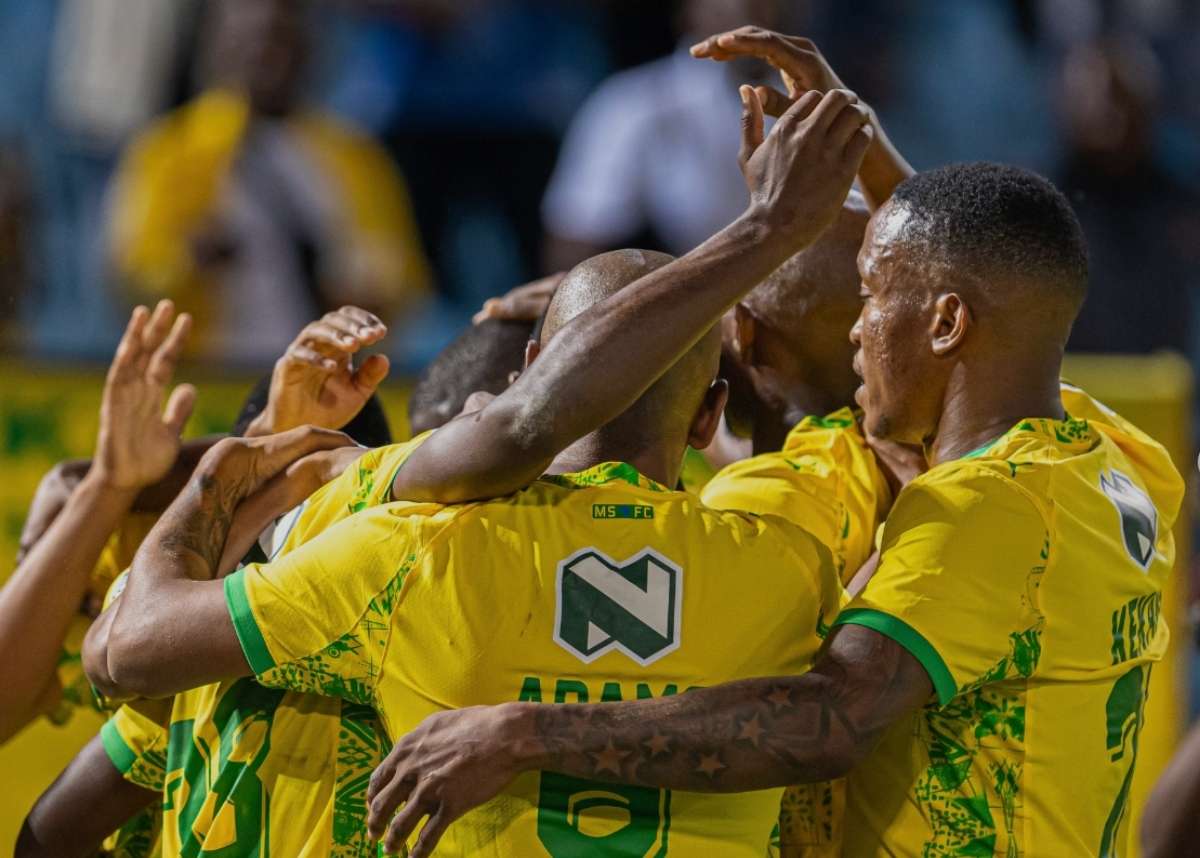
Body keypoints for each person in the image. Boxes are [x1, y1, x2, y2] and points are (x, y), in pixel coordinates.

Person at [360, 29, 1185, 858]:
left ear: (942, 324)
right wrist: (859, 146)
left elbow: (828, 719)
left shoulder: (969, 514)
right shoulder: (1113, 456)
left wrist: (523, 735)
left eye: (869, 297)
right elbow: (989, 282)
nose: (857, 328)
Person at [18, 303, 397, 858]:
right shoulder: (187, 649)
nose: (297, 529)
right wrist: (104, 485)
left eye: (317, 496)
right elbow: (108, 661)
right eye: (277, 501)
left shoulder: (395, 603)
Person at [106, 0, 430, 365]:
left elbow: (403, 276)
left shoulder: (353, 157)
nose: (263, 53)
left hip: (322, 379)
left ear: (308, 47)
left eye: (279, 37)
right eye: (247, 38)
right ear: (216, 45)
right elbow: (132, 273)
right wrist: (190, 260)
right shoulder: (169, 150)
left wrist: (361, 290)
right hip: (213, 375)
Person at [541, 0, 783, 271]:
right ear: (687, 9)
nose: (744, 7)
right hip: (691, 297)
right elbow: (577, 237)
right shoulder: (635, 104)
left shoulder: (815, 96)